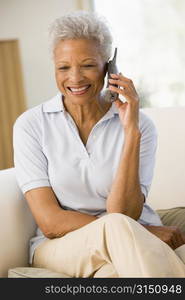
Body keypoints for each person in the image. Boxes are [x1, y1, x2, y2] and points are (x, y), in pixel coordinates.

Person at [13, 10, 185, 278]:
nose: (75, 78)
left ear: (109, 66)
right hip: (61, 245)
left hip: (129, 239)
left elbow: (124, 212)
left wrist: (131, 132)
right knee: (118, 229)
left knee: (113, 274)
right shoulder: (31, 125)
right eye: (64, 67)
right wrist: (139, 231)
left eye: (88, 65)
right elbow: (50, 221)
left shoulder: (142, 126)